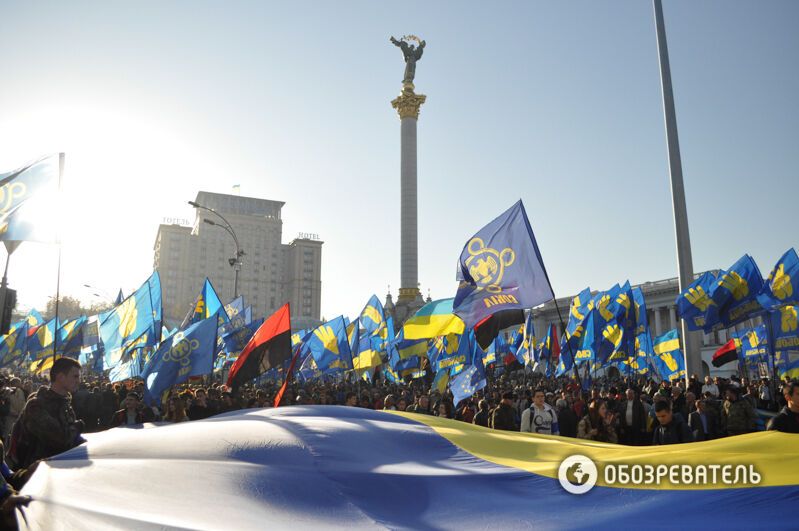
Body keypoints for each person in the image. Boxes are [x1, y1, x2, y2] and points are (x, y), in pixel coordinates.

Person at [8, 358, 84, 469]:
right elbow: (61, 440)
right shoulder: (36, 405)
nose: (79, 381)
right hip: (34, 474)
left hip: (59, 470)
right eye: (75, 376)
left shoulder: (65, 405)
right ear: (60, 377)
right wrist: (78, 426)